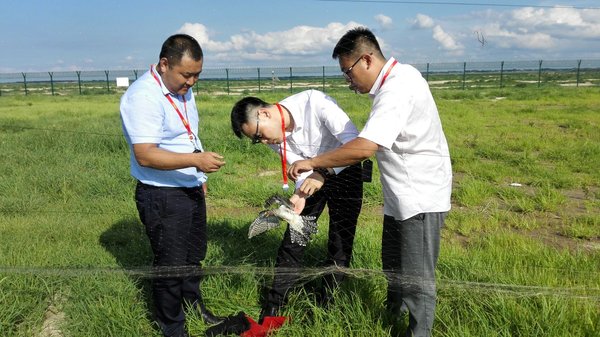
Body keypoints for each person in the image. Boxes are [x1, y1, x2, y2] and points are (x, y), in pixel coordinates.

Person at [288, 27, 452, 337]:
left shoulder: (397, 88)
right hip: (400, 197)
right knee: (394, 268)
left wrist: (314, 163)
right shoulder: (396, 80)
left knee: (417, 279)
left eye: (348, 72)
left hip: (420, 196)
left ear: (366, 60)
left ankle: (419, 332)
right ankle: (394, 320)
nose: (347, 81)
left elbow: (365, 147)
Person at [120, 34, 226, 337]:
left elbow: (187, 135)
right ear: (164, 64)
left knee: (194, 256)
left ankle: (194, 308)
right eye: (187, 74)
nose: (192, 82)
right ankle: (173, 327)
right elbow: (146, 155)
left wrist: (199, 177)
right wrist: (196, 163)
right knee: (170, 265)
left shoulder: (180, 89)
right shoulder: (144, 97)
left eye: (197, 75)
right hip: (162, 194)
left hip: (189, 186)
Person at [230, 90, 364, 322]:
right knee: (294, 239)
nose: (263, 141)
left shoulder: (315, 102)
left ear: (264, 113)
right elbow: (300, 168)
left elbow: (355, 144)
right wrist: (300, 194)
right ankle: (275, 306)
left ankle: (327, 304)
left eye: (259, 135)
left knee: (340, 241)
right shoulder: (273, 136)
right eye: (256, 140)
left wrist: (324, 171)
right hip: (313, 175)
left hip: (346, 170)